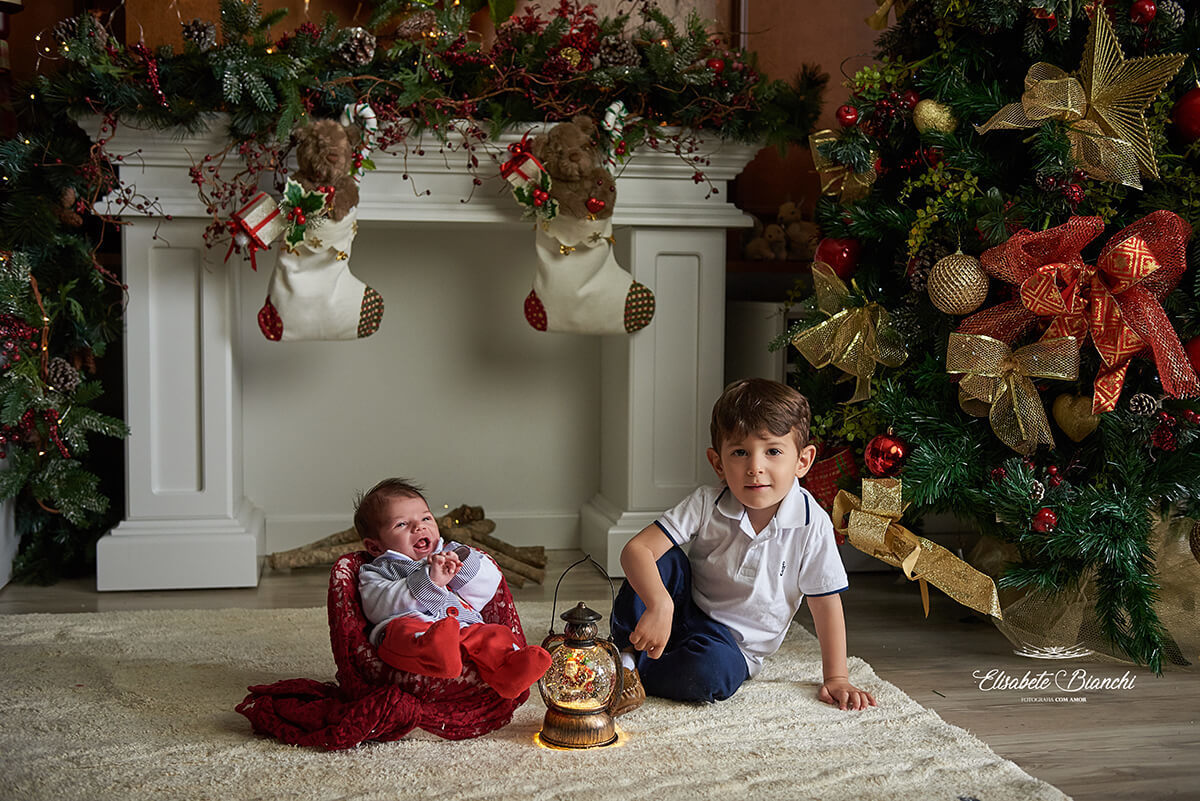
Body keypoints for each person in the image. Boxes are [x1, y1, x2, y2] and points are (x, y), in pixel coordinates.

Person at [612, 378, 877, 712]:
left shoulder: (812, 523)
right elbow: (635, 550)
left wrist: (837, 677)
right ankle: (623, 652)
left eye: (773, 451)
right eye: (740, 452)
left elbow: (825, 604)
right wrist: (660, 604)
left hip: (732, 647)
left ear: (803, 461)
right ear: (718, 463)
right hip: (683, 608)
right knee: (661, 560)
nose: (755, 467)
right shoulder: (707, 502)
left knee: (711, 676)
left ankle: (634, 671)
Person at [355, 478, 551, 700]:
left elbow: (489, 585)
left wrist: (461, 567)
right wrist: (430, 582)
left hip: (462, 627)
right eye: (401, 524)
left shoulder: (453, 552)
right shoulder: (378, 570)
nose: (419, 527)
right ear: (374, 546)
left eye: (426, 518)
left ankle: (509, 670)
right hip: (415, 631)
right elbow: (378, 606)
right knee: (401, 635)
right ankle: (434, 654)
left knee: (494, 634)